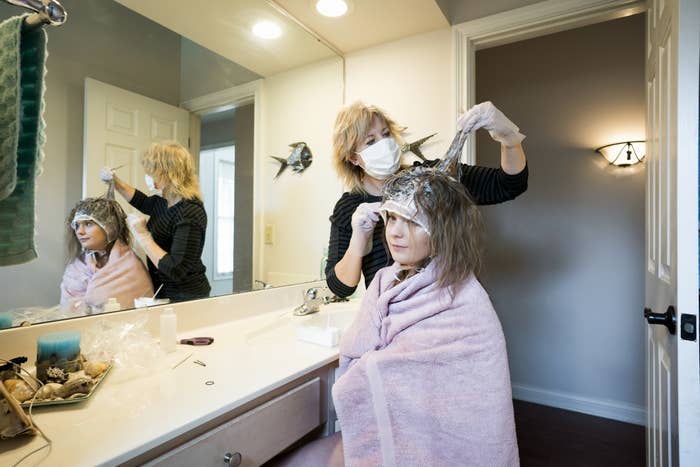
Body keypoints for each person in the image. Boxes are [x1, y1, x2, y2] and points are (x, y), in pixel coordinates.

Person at [272, 167, 519, 466]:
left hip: (435, 441)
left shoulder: (465, 298)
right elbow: (358, 340)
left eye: (413, 222)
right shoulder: (384, 280)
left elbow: (459, 386)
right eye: (392, 218)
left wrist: (373, 365)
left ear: (442, 229)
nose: (395, 232)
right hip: (391, 423)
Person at [325, 100, 528, 298]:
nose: (384, 144)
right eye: (371, 141)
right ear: (353, 157)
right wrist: (358, 241)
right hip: (394, 318)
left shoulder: (432, 179)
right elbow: (340, 288)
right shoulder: (349, 207)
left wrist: (508, 137)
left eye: (386, 134)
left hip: (445, 303)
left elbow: (509, 184)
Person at [102, 142, 211, 302]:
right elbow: (142, 201)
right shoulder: (165, 201)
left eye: (151, 172)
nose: (148, 177)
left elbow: (176, 269)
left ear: (169, 173)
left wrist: (144, 236)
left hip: (187, 296)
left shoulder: (190, 212)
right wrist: (115, 181)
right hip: (162, 291)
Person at [60, 197, 153, 313]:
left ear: (109, 227)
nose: (79, 231)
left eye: (88, 224)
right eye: (77, 225)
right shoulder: (76, 267)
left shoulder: (130, 268)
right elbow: (66, 310)